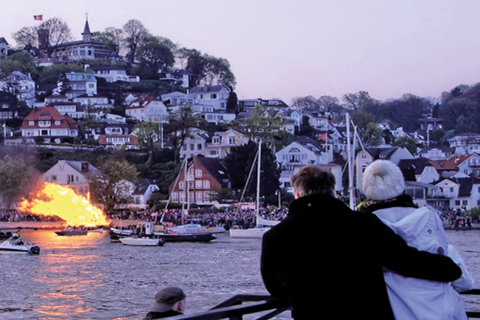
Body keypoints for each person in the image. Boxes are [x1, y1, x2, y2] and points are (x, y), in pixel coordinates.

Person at [260, 165, 462, 320]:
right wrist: (450, 269)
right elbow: (406, 260)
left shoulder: (276, 237)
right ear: (332, 189)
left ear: (297, 193)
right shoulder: (363, 224)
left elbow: (276, 287)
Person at [360, 160, 474, 319]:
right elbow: (452, 264)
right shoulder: (430, 217)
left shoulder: (363, 225)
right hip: (442, 308)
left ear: (367, 189)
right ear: (400, 185)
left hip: (395, 309)